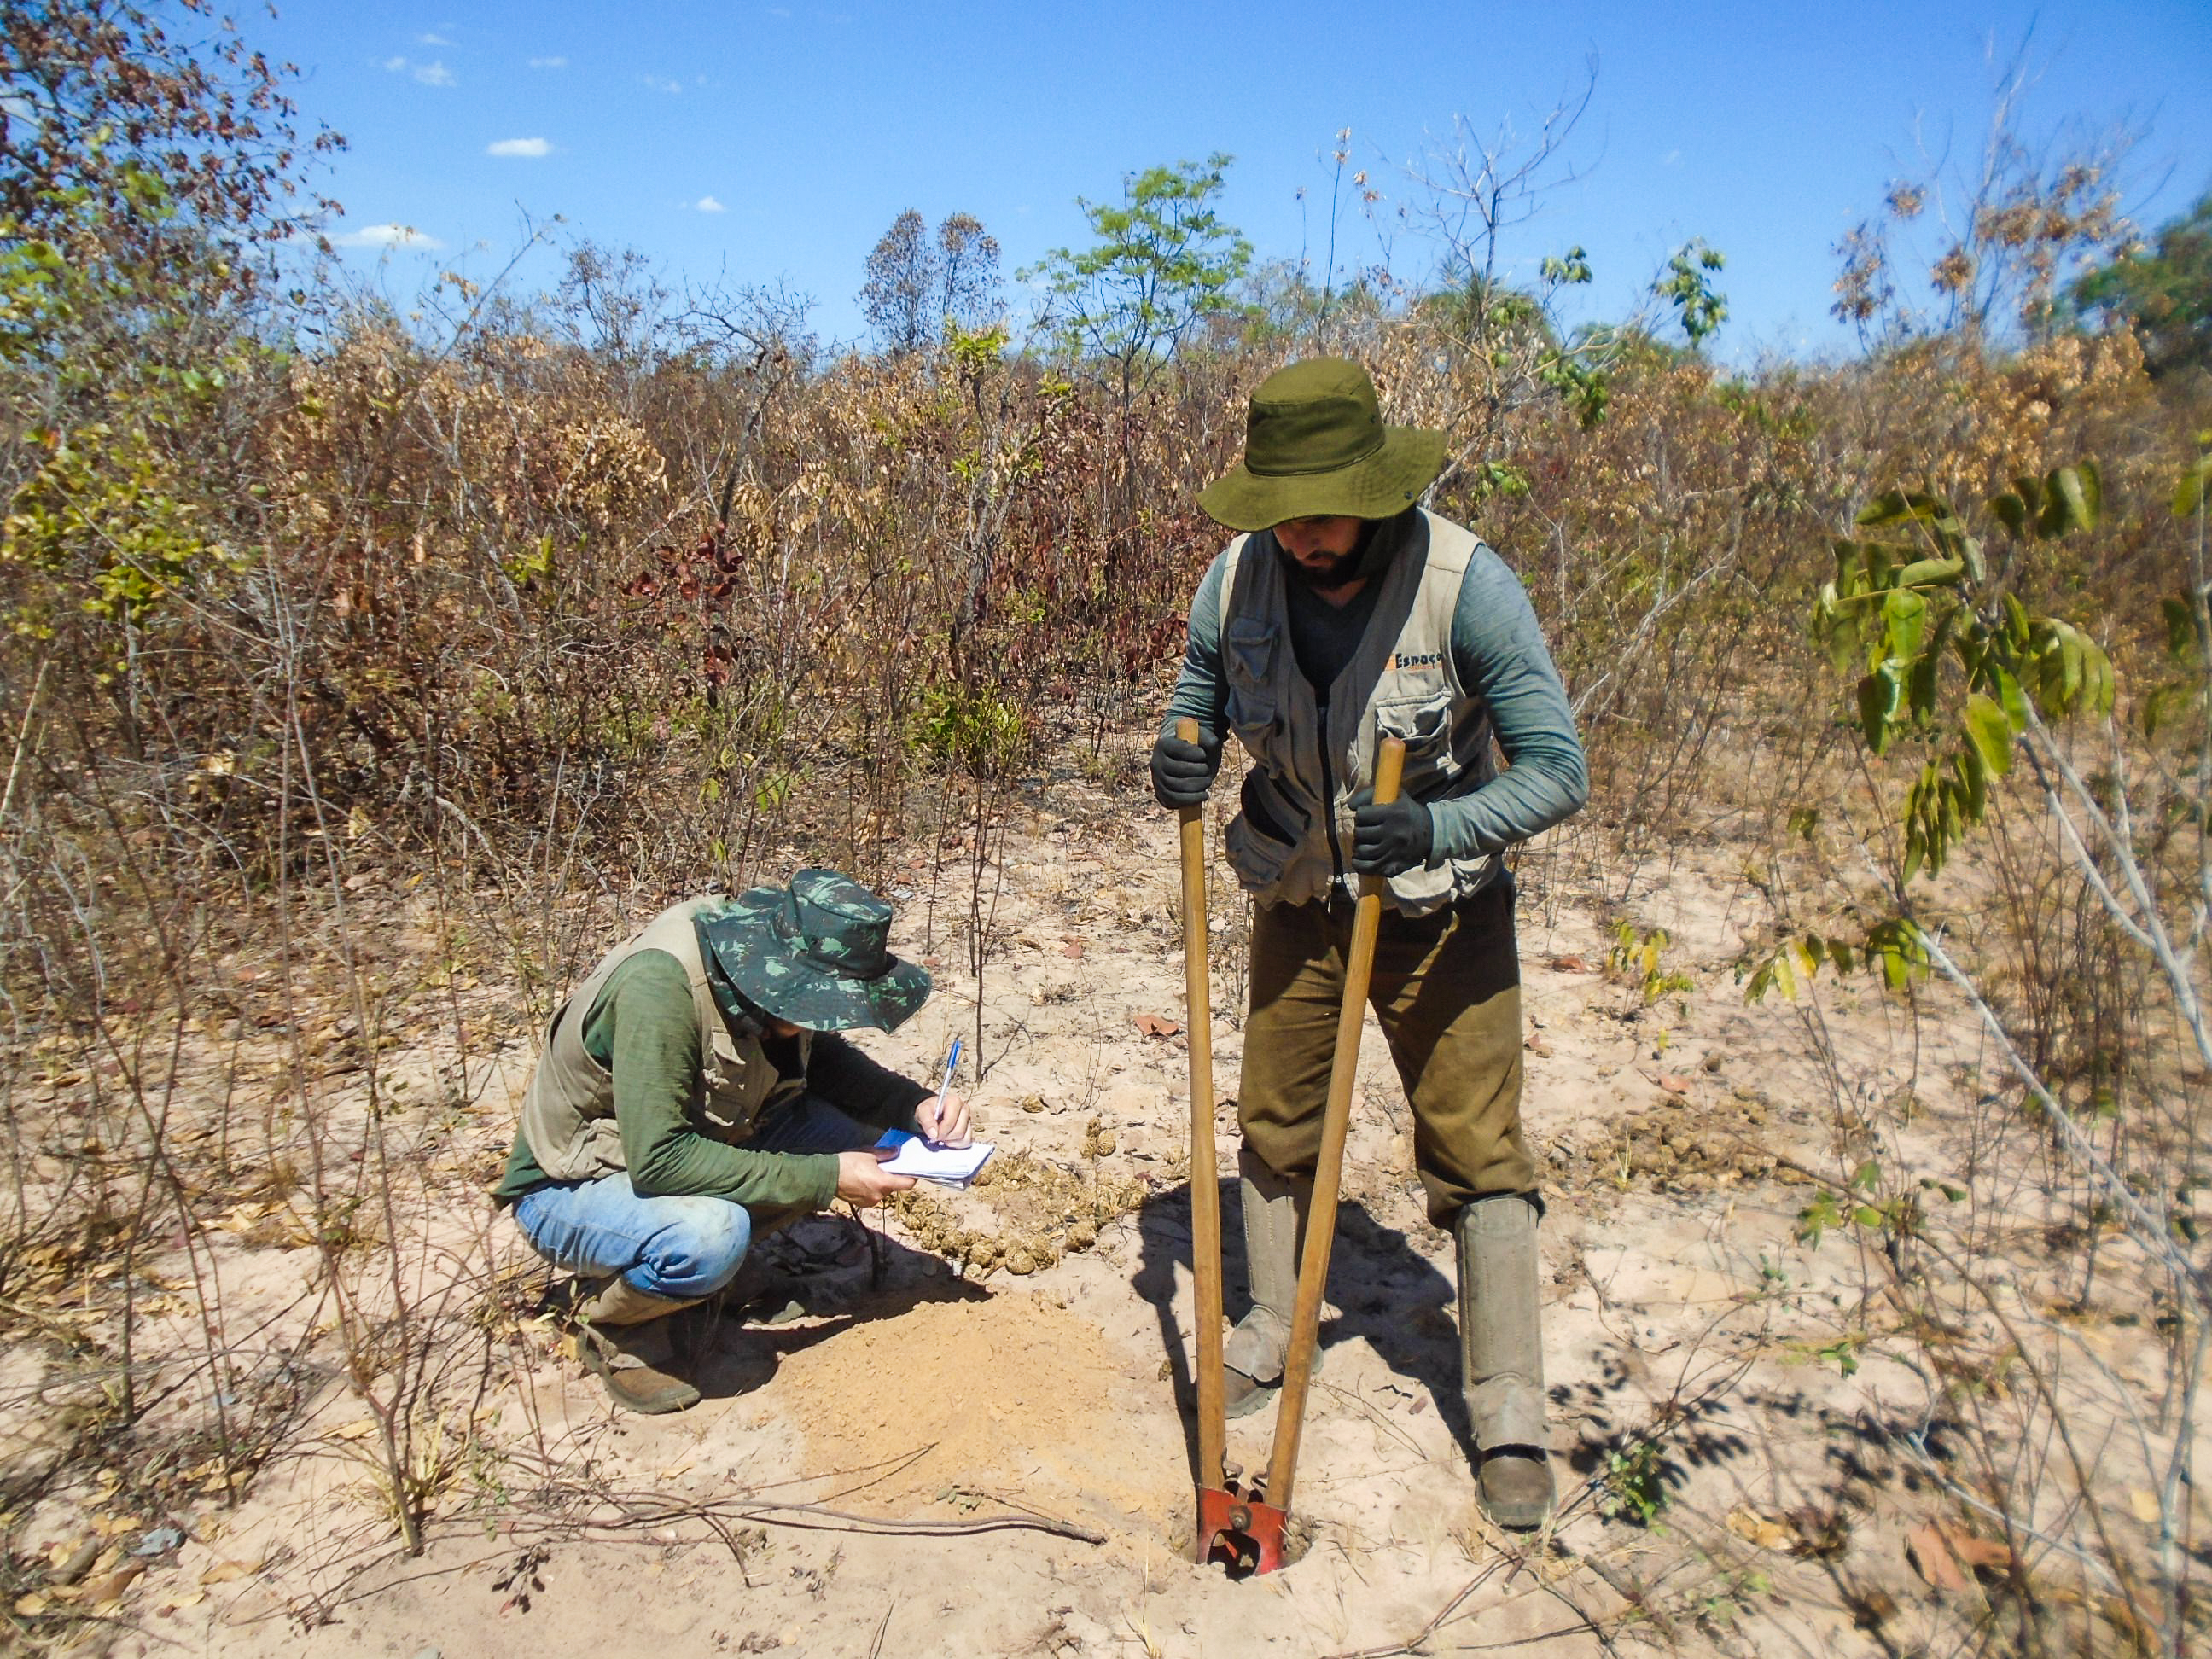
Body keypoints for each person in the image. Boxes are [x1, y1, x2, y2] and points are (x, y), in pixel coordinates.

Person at [1153, 358, 1588, 1528]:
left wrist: (1439, 822)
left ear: (1378, 488)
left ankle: (1505, 1409)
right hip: (1298, 893)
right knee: (1274, 1127)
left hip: (1442, 914)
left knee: (1475, 1151)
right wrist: (1179, 750)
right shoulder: (1236, 577)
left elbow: (1560, 772)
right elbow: (1198, 692)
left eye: (1322, 511)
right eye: (1281, 514)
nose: (1301, 535)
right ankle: (1266, 1329)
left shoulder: (1466, 585)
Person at [491, 870, 968, 1413]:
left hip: (689, 1141)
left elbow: (823, 1062)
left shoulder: (762, 969)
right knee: (711, 1236)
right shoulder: (661, 990)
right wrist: (826, 1177)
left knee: (875, 1141)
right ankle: (613, 1326)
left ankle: (707, 1282)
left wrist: (913, 1103)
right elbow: (660, 1162)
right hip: (573, 1188)